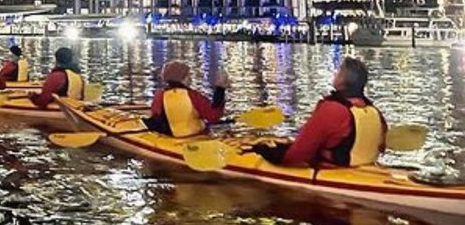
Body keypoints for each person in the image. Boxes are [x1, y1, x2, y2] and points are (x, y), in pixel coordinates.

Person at [254, 57, 387, 167]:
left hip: (333, 171)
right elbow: (381, 147)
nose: (335, 74)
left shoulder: (332, 110)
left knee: (265, 151)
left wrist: (267, 153)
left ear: (342, 81)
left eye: (338, 72)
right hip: (366, 168)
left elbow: (297, 155)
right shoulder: (375, 112)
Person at [143, 61, 228, 137]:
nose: (190, 78)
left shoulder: (160, 95)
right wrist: (220, 90)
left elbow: (155, 114)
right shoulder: (193, 96)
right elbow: (213, 116)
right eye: (188, 75)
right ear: (182, 78)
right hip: (196, 138)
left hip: (172, 137)